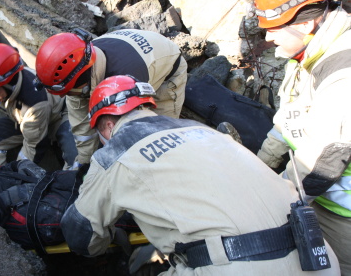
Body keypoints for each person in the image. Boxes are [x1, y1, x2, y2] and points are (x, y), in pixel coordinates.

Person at [60, 75, 341, 275]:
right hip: (319, 256)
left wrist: (106, 243)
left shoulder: (114, 153)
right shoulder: (202, 130)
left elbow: (81, 235)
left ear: (107, 125)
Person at [251, 0, 351, 274]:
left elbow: (325, 158)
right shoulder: (307, 57)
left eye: (273, 29)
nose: (268, 38)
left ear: (304, 23)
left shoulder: (342, 70)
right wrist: (258, 169)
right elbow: (287, 123)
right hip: (317, 198)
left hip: (343, 217)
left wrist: (277, 200)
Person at [34, 28, 188, 169]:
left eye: (68, 92)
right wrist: (82, 164)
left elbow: (130, 132)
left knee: (157, 137)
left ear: (81, 82)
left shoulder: (128, 77)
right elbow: (82, 128)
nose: (64, 96)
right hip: (127, 46)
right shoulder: (79, 62)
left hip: (166, 64)